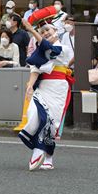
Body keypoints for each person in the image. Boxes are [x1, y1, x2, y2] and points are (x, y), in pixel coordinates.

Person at [18, 19, 74, 170]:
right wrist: (30, 85)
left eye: (48, 30)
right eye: (42, 32)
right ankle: (38, 147)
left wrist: (31, 29)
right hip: (43, 86)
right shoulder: (40, 51)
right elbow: (35, 68)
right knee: (34, 113)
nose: (45, 33)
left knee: (51, 121)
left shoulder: (63, 48)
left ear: (56, 31)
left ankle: (48, 156)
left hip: (57, 87)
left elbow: (50, 49)